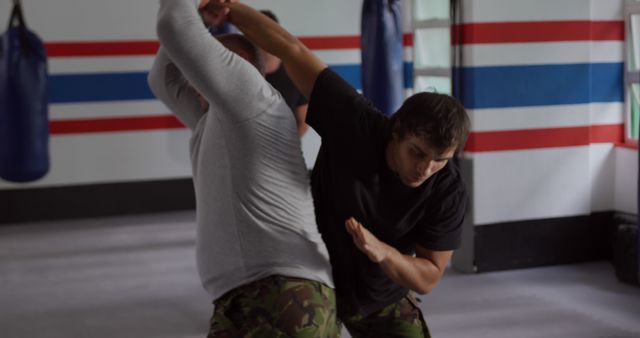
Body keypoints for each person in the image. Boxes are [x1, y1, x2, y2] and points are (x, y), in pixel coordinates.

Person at [213, 2, 471, 337]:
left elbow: (429, 275)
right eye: (417, 153)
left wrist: (384, 253)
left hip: (379, 294)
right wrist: (228, 9)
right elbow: (291, 49)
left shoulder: (447, 188)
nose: (426, 168)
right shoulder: (355, 122)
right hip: (313, 279)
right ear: (397, 130)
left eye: (441, 160)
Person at [147, 1, 339, 337]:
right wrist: (205, 20)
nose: (199, 78)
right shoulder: (213, 120)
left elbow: (175, 25)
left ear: (243, 68)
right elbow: (161, 78)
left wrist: (193, 11)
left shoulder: (253, 100)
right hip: (255, 295)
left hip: (282, 292)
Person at [259, 9, 309, 137]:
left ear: (276, 34)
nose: (263, 37)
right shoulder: (243, 71)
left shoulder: (295, 72)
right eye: (259, 31)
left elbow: (303, 122)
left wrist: (285, 150)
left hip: (285, 151)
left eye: (268, 31)